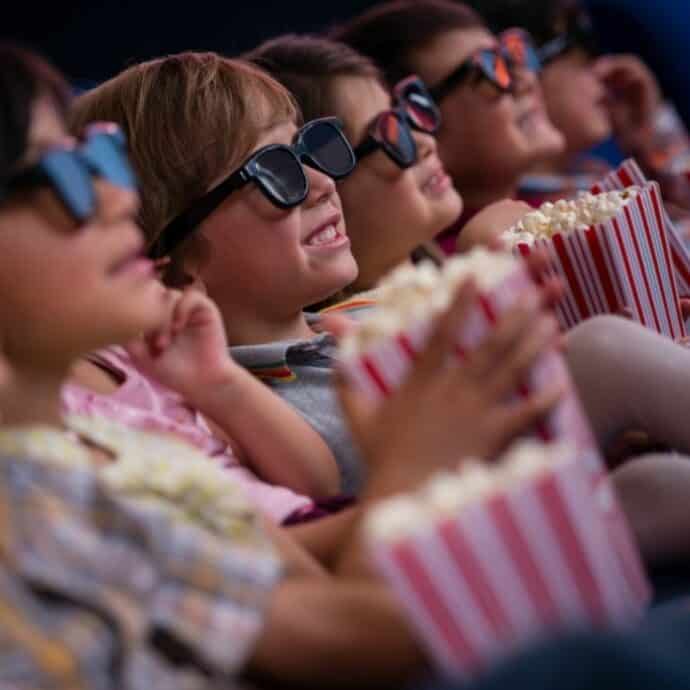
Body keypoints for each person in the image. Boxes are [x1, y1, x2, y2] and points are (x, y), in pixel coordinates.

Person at [0, 44, 563, 688]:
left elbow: (301, 566)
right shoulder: (37, 498)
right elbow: (359, 640)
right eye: (59, 175)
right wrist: (418, 467)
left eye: (99, 157)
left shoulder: (87, 452)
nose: (116, 197)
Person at [330, 0, 565, 253]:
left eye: (511, 55)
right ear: (422, 120)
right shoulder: (458, 271)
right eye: (490, 68)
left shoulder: (554, 202)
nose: (526, 80)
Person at [245, 34, 462, 303]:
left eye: (403, 118)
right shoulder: (364, 338)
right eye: (389, 134)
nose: (425, 142)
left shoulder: (447, 275)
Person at [465, 0, 690, 221]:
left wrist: (644, 144)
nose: (603, 62)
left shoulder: (590, 173)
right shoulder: (521, 222)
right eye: (576, 40)